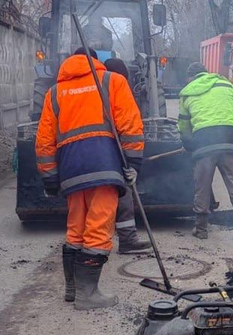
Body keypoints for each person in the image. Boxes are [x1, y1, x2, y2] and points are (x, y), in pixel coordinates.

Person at [36, 47, 145, 310]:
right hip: (104, 165)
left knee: (76, 229)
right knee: (98, 229)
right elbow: (129, 122)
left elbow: (44, 141)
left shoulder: (54, 93)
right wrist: (133, 161)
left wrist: (50, 177)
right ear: (95, 61)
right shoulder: (111, 81)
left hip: (71, 170)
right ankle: (88, 295)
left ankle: (73, 289)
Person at [178, 62, 233, 242]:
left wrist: (189, 145)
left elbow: (183, 126)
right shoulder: (227, 85)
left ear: (191, 77)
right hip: (229, 142)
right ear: (206, 73)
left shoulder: (187, 92)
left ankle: (201, 229)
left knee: (202, 187)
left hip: (203, 146)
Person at [103, 57, 151, 254]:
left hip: (90, 152)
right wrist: (134, 163)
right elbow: (129, 127)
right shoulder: (118, 87)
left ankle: (90, 246)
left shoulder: (93, 87)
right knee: (123, 192)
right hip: (115, 152)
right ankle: (127, 239)